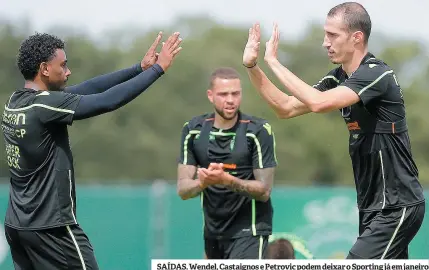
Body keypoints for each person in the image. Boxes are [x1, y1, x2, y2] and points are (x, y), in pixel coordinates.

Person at [242, 2, 425, 259]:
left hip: (396, 206)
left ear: (356, 37)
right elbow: (285, 108)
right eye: (325, 34)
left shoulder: (376, 74)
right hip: (372, 206)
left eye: (332, 35)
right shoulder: (337, 78)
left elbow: (319, 103)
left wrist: (273, 61)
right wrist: (253, 67)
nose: (325, 42)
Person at [1, 31, 182, 269]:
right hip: (52, 227)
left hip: (18, 226)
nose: (68, 72)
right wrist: (158, 70)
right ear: (45, 68)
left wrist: (139, 68)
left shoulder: (17, 101)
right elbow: (107, 100)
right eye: (63, 65)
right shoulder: (45, 105)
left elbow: (88, 88)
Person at [177, 67, 277, 259]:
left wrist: (226, 180)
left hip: (251, 233)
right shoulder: (193, 131)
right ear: (210, 95)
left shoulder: (258, 131)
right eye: (223, 94)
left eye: (235, 93)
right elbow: (183, 189)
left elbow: (264, 191)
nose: (230, 100)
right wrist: (203, 183)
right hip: (213, 234)